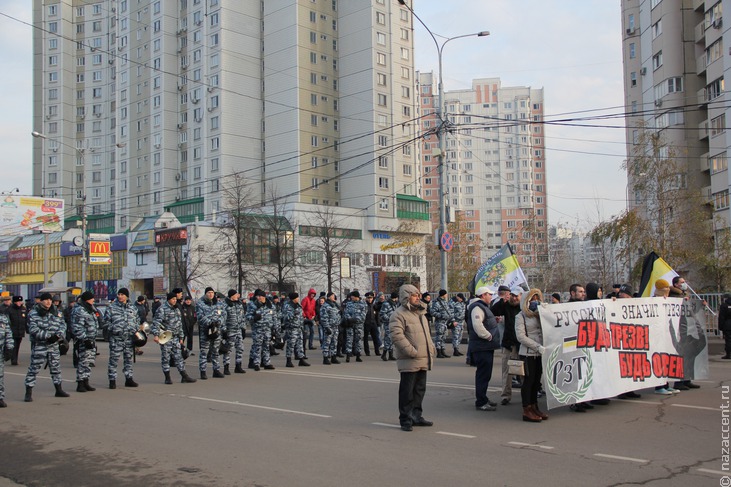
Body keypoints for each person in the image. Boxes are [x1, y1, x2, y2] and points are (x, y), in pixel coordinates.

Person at [390, 284, 435, 432]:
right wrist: (411, 351)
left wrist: (431, 348)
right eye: (415, 295)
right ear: (406, 297)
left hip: (423, 358)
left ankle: (417, 416)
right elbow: (397, 336)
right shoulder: (399, 314)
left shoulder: (420, 312)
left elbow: (426, 335)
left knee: (419, 390)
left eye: (418, 295)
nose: (418, 298)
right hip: (410, 358)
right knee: (407, 391)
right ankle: (405, 419)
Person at [24, 293, 69, 402]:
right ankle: (28, 392)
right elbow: (33, 330)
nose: (48, 302)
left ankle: (58, 389)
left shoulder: (56, 312)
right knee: (34, 369)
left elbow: (63, 325)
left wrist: (58, 336)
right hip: (40, 345)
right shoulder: (34, 314)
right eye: (46, 300)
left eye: (50, 300)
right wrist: (48, 337)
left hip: (53, 346)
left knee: (56, 368)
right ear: (41, 301)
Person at [515, 289, 548, 422]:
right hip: (528, 353)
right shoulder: (520, 316)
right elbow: (521, 337)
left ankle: (534, 406)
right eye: (532, 299)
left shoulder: (538, 315)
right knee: (528, 382)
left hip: (540, 353)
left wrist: (545, 311)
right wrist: (537, 346)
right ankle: (526, 409)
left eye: (537, 299)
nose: (535, 302)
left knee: (536, 382)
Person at [466, 286, 500, 412]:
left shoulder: (481, 307)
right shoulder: (477, 307)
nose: (491, 297)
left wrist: (493, 321)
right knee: (483, 375)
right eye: (489, 294)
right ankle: (481, 401)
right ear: (483, 295)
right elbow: (477, 326)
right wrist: (489, 336)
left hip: (485, 346)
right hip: (482, 346)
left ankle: (483, 398)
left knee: (485, 375)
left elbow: (483, 322)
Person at [152, 291, 196, 384]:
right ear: (169, 300)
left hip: (175, 337)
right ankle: (167, 377)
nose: (174, 300)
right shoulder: (162, 309)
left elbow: (179, 324)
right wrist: (156, 335)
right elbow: (156, 323)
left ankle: (184, 376)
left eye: (175, 299)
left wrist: (181, 337)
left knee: (179, 357)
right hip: (165, 336)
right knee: (166, 357)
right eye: (173, 299)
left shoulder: (176, 309)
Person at [491, 286, 523, 405]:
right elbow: (494, 311)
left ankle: (526, 395)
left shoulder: (524, 307)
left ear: (521, 296)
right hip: (508, 344)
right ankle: (506, 395)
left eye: (516, 296)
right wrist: (502, 301)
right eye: (512, 295)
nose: (514, 298)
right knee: (506, 371)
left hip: (522, 344)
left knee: (524, 371)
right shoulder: (506, 306)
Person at [669, 276, 702, 390]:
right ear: (676, 284)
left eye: (684, 282)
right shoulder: (672, 296)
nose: (684, 284)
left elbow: (691, 311)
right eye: (682, 282)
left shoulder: (685, 295)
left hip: (687, 327)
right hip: (679, 329)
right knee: (681, 355)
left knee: (688, 355)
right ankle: (678, 382)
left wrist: (700, 305)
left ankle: (687, 379)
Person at [105, 288, 142, 389]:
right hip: (116, 339)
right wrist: (114, 328)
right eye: (119, 294)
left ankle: (129, 379)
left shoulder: (133, 308)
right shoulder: (111, 307)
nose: (120, 296)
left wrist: (135, 329)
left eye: (122, 294)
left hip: (129, 339)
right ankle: (112, 380)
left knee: (128, 360)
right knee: (114, 360)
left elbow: (137, 321)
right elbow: (106, 323)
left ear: (127, 296)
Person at [71, 291, 100, 393]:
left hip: (91, 339)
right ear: (87, 299)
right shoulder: (80, 310)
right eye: (92, 298)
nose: (93, 300)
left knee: (88, 361)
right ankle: (80, 383)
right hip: (84, 340)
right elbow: (77, 327)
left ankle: (86, 381)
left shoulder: (90, 309)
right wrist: (84, 338)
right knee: (83, 361)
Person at [196, 287, 227, 379]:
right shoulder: (200, 304)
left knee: (215, 351)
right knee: (204, 352)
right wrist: (210, 323)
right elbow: (200, 317)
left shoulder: (219, 303)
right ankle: (203, 371)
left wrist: (219, 322)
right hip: (206, 331)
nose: (211, 294)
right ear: (205, 293)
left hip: (217, 330)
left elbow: (224, 315)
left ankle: (216, 370)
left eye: (212, 292)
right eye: (209, 292)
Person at [246, 289, 276, 371]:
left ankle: (267, 363)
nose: (258, 298)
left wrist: (275, 329)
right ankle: (256, 363)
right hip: (257, 329)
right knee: (257, 347)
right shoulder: (252, 305)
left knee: (266, 346)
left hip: (267, 329)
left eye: (260, 296)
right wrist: (254, 318)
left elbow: (274, 317)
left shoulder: (270, 306)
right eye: (257, 296)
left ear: (264, 297)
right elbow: (247, 317)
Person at [282, 293, 310, 367]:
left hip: (299, 328)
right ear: (294, 298)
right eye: (297, 297)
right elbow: (285, 317)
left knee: (300, 345)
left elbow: (300, 316)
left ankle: (301, 359)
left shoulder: (298, 305)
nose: (298, 299)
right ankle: (288, 360)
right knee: (291, 345)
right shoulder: (287, 306)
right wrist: (293, 313)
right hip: (291, 328)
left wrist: (305, 321)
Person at [223, 290, 247, 374]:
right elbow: (223, 319)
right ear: (232, 296)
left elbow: (242, 317)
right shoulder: (226, 305)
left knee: (240, 348)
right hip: (230, 330)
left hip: (238, 330)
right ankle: (226, 367)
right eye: (236, 294)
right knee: (228, 349)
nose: (237, 295)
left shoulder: (239, 304)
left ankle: (238, 366)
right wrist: (224, 331)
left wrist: (243, 328)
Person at [343, 290, 367, 362]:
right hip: (350, 324)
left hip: (358, 325)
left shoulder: (363, 304)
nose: (351, 298)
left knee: (358, 340)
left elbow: (363, 316)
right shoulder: (349, 304)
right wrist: (349, 319)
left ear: (357, 297)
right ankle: (348, 355)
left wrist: (355, 319)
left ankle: (358, 355)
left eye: (352, 297)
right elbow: (346, 313)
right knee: (349, 340)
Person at [320, 292, 341, 364]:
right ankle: (325, 358)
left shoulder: (334, 305)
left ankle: (333, 357)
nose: (334, 297)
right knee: (326, 342)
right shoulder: (325, 306)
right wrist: (327, 327)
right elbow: (323, 318)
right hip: (329, 327)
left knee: (334, 342)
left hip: (335, 326)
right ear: (329, 297)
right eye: (332, 296)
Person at [430, 289, 452, 358]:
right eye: (446, 294)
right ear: (443, 294)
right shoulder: (437, 302)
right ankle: (438, 352)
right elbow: (433, 312)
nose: (446, 295)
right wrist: (441, 315)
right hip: (440, 322)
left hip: (445, 322)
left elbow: (448, 310)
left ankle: (443, 350)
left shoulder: (444, 302)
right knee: (439, 337)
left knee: (443, 337)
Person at [379, 292, 399, 361]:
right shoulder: (386, 304)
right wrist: (389, 319)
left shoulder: (395, 304)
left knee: (391, 339)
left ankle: (390, 354)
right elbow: (382, 314)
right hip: (388, 323)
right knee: (387, 338)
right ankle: (384, 354)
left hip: (394, 323)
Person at [0, 309, 14, 407]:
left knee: (0, 376)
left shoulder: (3, 318)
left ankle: (0, 397)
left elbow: (8, 333)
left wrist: (9, 347)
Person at [7, 296, 26, 366]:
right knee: (13, 346)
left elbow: (26, 320)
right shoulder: (10, 309)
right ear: (14, 302)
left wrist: (27, 329)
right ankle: (13, 360)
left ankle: (15, 358)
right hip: (12, 331)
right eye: (18, 302)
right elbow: (8, 321)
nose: (19, 303)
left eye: (20, 301)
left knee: (17, 346)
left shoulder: (23, 309)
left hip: (20, 331)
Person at [362, 292, 381, 357]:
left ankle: (377, 351)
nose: (370, 299)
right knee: (366, 338)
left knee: (375, 337)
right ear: (366, 298)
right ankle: (367, 351)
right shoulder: (364, 305)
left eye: (371, 298)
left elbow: (378, 310)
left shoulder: (373, 305)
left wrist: (377, 322)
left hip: (373, 323)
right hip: (366, 323)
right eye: (368, 298)